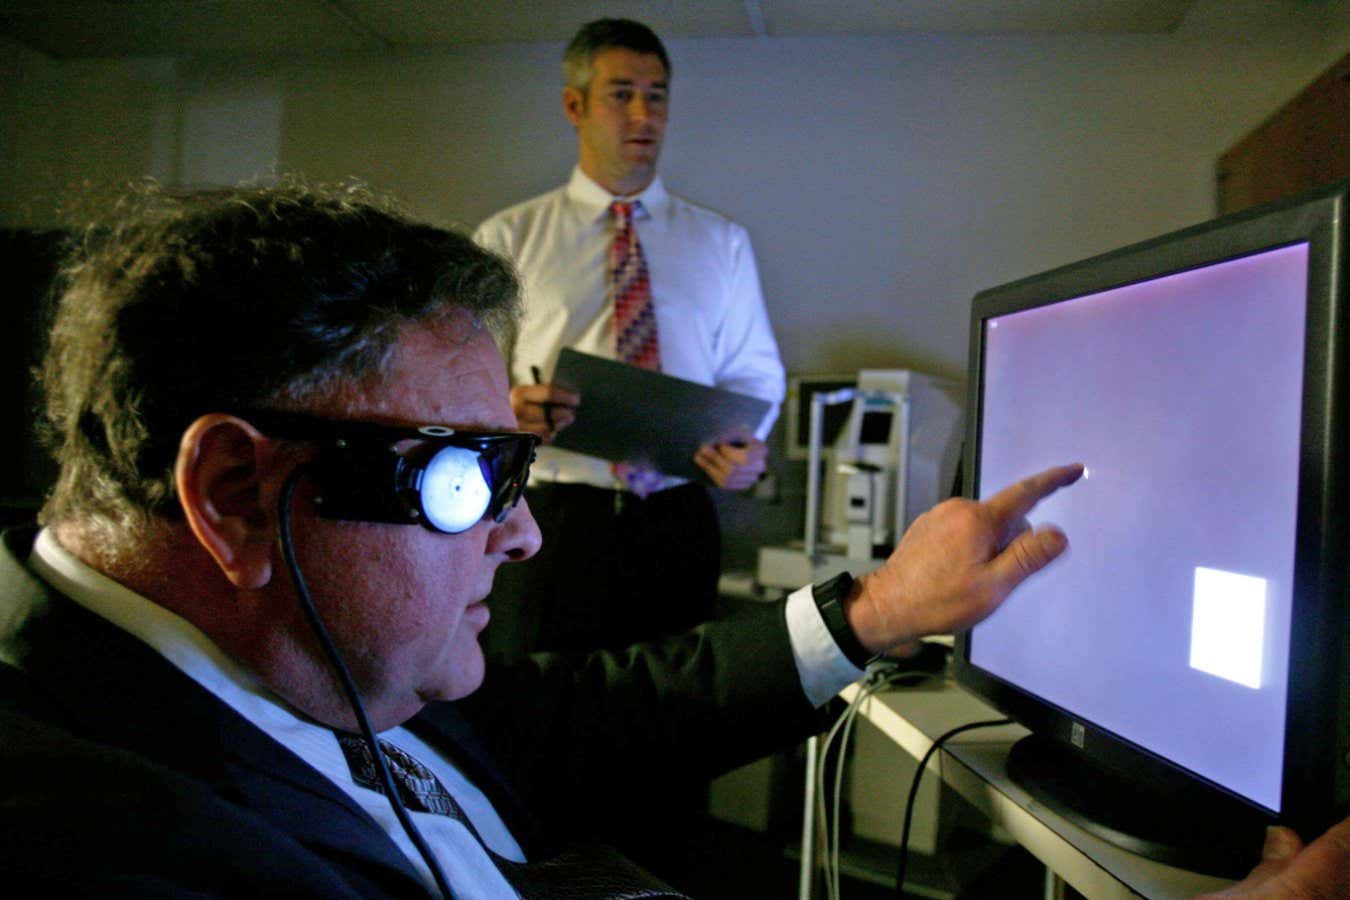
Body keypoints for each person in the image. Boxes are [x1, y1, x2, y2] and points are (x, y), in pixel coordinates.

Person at [0, 182, 1342, 900]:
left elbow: (575, 722)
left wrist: (875, 607)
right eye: (471, 480)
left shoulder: (280, 660)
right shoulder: (94, 840)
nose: (518, 538)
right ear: (235, 494)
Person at [473, 18, 785, 659]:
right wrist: (503, 412)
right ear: (575, 105)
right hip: (553, 517)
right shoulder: (508, 240)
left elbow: (754, 374)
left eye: (658, 94)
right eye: (621, 94)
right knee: (543, 717)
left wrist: (745, 446)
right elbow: (465, 382)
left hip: (678, 520)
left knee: (676, 720)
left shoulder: (720, 241)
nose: (643, 113)